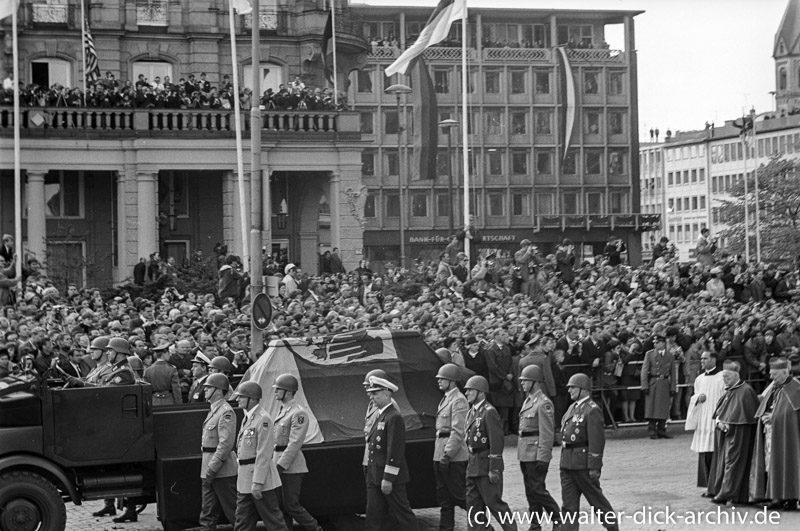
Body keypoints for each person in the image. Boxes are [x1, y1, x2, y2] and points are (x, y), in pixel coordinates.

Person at [560, 373, 618, 531]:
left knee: (597, 501)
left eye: (573, 387)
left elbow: (597, 440)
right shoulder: (572, 407)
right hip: (567, 463)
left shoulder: (592, 410)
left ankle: (612, 526)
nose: (569, 390)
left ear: (583, 389)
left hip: (583, 464)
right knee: (568, 506)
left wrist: (594, 466)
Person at [363, 374, 419, 530]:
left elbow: (395, 451)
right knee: (373, 515)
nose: (371, 397)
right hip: (375, 475)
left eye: (375, 393)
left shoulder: (393, 417)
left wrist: (388, 478)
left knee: (402, 515)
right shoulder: (381, 415)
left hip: (389, 478)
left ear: (387, 394)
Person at [232, 380, 288, 531]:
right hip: (245, 479)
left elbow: (263, 453)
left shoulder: (263, 419)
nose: (237, 399)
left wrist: (257, 482)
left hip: (261, 480)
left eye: (241, 397)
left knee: (273, 521)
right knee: (242, 522)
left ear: (253, 399)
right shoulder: (248, 418)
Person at [463, 375, 515, 531]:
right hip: (473, 465)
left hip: (486, 465)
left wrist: (494, 468)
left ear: (480, 392)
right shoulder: (471, 412)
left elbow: (496, 441)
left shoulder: (489, 412)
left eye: (470, 391)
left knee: (494, 504)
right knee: (473, 508)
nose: (467, 394)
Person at [271, 374, 321, 531]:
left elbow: (294, 443)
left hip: (291, 466)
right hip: (279, 462)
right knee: (281, 506)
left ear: (288, 391)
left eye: (278, 389)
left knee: (291, 505)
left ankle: (314, 528)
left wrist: (280, 466)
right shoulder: (284, 410)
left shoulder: (298, 413)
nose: (275, 392)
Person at [750, 357, 800, 510]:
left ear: (785, 373)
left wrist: (774, 417)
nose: (771, 377)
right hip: (771, 434)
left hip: (788, 436)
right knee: (771, 465)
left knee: (788, 464)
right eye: (770, 374)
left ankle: (791, 497)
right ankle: (776, 496)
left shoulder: (796, 389)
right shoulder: (774, 387)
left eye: (774, 374)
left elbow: (792, 414)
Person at [705, 361, 759, 505]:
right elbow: (721, 412)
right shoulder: (730, 390)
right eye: (723, 377)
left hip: (738, 436)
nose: (724, 380)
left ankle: (727, 494)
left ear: (736, 376)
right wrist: (719, 422)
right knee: (725, 464)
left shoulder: (745, 391)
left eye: (727, 377)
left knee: (733, 463)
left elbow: (743, 418)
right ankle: (726, 492)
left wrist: (726, 425)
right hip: (727, 435)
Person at [518, 365, 561, 531]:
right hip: (525, 453)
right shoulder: (529, 400)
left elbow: (547, 433)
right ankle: (535, 524)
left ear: (534, 382)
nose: (522, 384)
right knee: (530, 490)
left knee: (537, 489)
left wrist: (544, 456)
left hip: (536, 453)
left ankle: (557, 517)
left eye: (525, 381)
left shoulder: (543, 403)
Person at [199, 373, 238, 531]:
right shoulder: (215, 410)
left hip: (222, 469)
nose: (205, 390)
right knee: (207, 511)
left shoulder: (225, 412)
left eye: (208, 387)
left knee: (233, 511)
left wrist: (213, 468)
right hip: (210, 466)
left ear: (217, 390)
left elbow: (225, 444)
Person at [433, 363, 469, 531]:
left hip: (453, 456)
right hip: (440, 452)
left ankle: (482, 525)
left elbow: (457, 431)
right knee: (444, 497)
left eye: (443, 379)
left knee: (460, 496)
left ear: (452, 381)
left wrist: (447, 454)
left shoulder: (459, 400)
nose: (439, 381)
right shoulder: (447, 398)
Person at [685, 351, 725, 490]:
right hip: (703, 420)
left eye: (705, 358)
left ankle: (716, 485)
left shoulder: (722, 377)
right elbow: (695, 397)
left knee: (715, 451)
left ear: (713, 359)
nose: (702, 361)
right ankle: (707, 483)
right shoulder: (699, 379)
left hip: (716, 418)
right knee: (704, 452)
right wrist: (697, 399)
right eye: (701, 359)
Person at [641, 333, 676, 439]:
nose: (655, 344)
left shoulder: (669, 356)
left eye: (657, 342)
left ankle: (661, 429)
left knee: (663, 407)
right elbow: (644, 370)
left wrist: (673, 387)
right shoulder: (649, 354)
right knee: (652, 407)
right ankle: (652, 429)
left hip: (664, 382)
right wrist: (644, 386)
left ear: (663, 343)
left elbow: (673, 373)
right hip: (653, 382)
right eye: (654, 343)